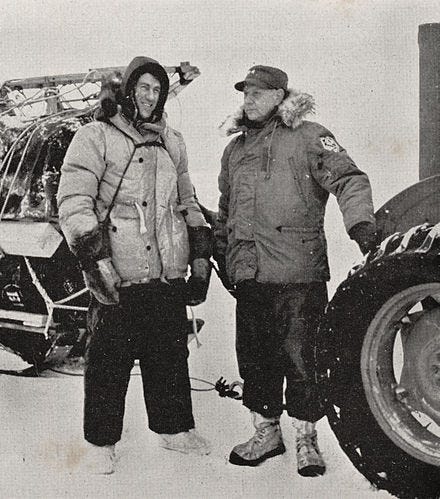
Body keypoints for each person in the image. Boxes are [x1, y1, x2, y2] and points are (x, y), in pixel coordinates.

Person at [215, 65, 376, 476]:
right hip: (249, 274)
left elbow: (350, 179)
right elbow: (225, 209)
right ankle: (266, 432)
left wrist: (361, 224)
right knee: (255, 358)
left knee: (303, 359)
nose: (247, 99)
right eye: (245, 92)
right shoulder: (234, 150)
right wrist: (222, 254)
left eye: (256, 92)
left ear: (278, 96)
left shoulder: (308, 136)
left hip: (298, 274)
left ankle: (307, 438)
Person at [57, 56, 212, 474]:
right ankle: (101, 442)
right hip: (117, 270)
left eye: (157, 90)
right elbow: (74, 200)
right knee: (109, 360)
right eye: (142, 87)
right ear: (128, 90)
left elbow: (186, 199)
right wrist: (94, 257)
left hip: (165, 269)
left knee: (169, 354)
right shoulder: (96, 136)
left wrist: (199, 252)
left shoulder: (172, 141)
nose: (150, 96)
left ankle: (174, 429)